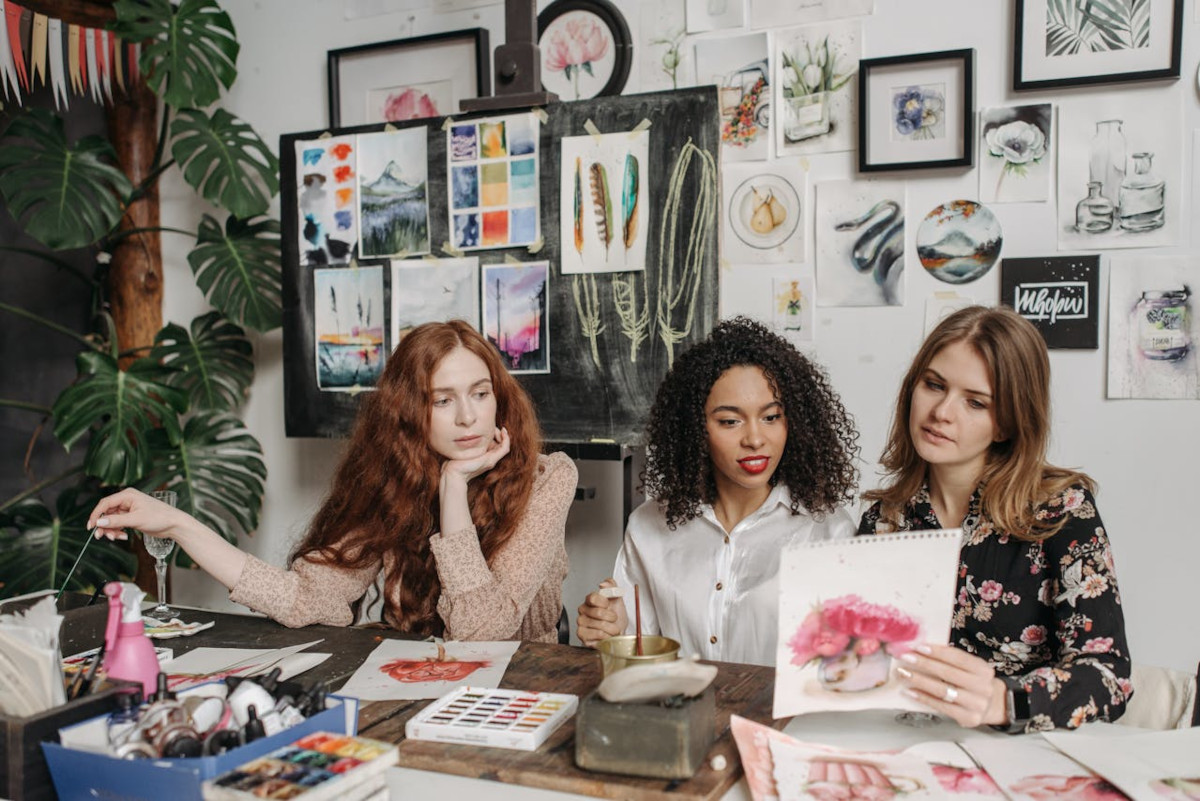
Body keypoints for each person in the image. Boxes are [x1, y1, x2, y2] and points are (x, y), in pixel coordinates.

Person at [88, 320, 577, 642]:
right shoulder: (394, 481)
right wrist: (178, 526)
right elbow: (306, 597)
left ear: (498, 398)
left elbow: (483, 635)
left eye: (480, 393)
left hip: (522, 688)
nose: (469, 417)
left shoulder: (548, 478)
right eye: (442, 400)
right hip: (413, 683)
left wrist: (453, 490)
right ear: (411, 411)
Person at [858, 305, 1131, 731]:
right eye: (934, 385)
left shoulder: (1062, 510)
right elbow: (865, 660)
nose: (942, 412)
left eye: (975, 402)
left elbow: (1109, 677)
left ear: (1006, 423)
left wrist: (1004, 701)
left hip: (1023, 762)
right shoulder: (883, 520)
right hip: (904, 748)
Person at [576, 317, 860, 666]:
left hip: (776, 720)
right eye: (730, 421)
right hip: (678, 715)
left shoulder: (827, 531)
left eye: (771, 417)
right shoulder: (649, 527)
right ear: (696, 428)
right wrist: (615, 630)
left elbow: (841, 668)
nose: (755, 439)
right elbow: (640, 657)